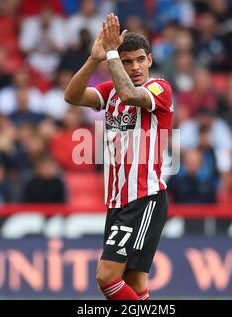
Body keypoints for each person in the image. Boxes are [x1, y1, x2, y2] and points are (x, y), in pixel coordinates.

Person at [64, 13, 173, 300]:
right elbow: (72, 96)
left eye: (139, 60)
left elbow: (129, 95)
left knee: (106, 277)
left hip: (143, 198)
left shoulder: (159, 88)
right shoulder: (110, 91)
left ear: (149, 59)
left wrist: (112, 51)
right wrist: (94, 59)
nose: (135, 67)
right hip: (117, 201)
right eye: (127, 61)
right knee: (135, 285)